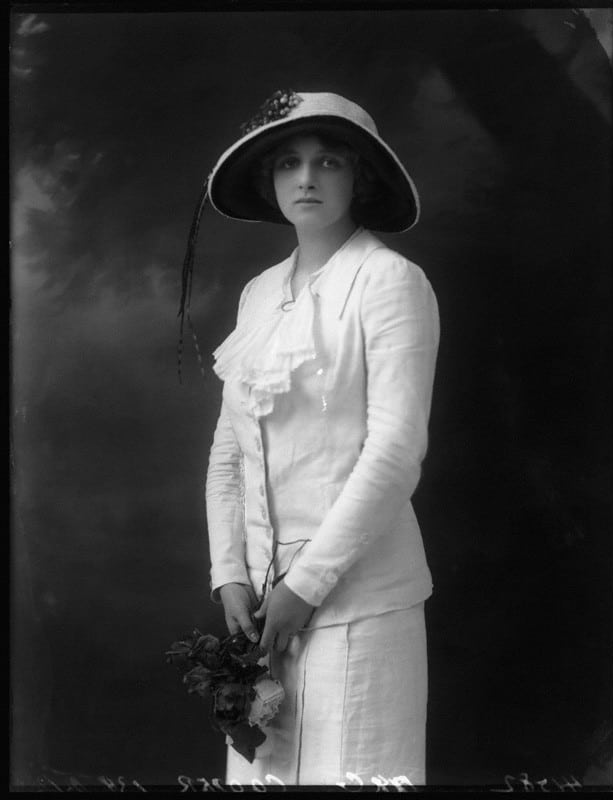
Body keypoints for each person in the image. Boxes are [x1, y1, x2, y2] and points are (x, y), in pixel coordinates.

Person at [182, 90, 440, 786]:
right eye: (289, 162)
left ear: (359, 178)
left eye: (328, 161)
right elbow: (227, 455)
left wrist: (308, 584)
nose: (306, 178)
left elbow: (393, 453)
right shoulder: (259, 293)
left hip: (359, 604)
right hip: (261, 618)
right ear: (269, 180)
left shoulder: (389, 282)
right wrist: (229, 572)